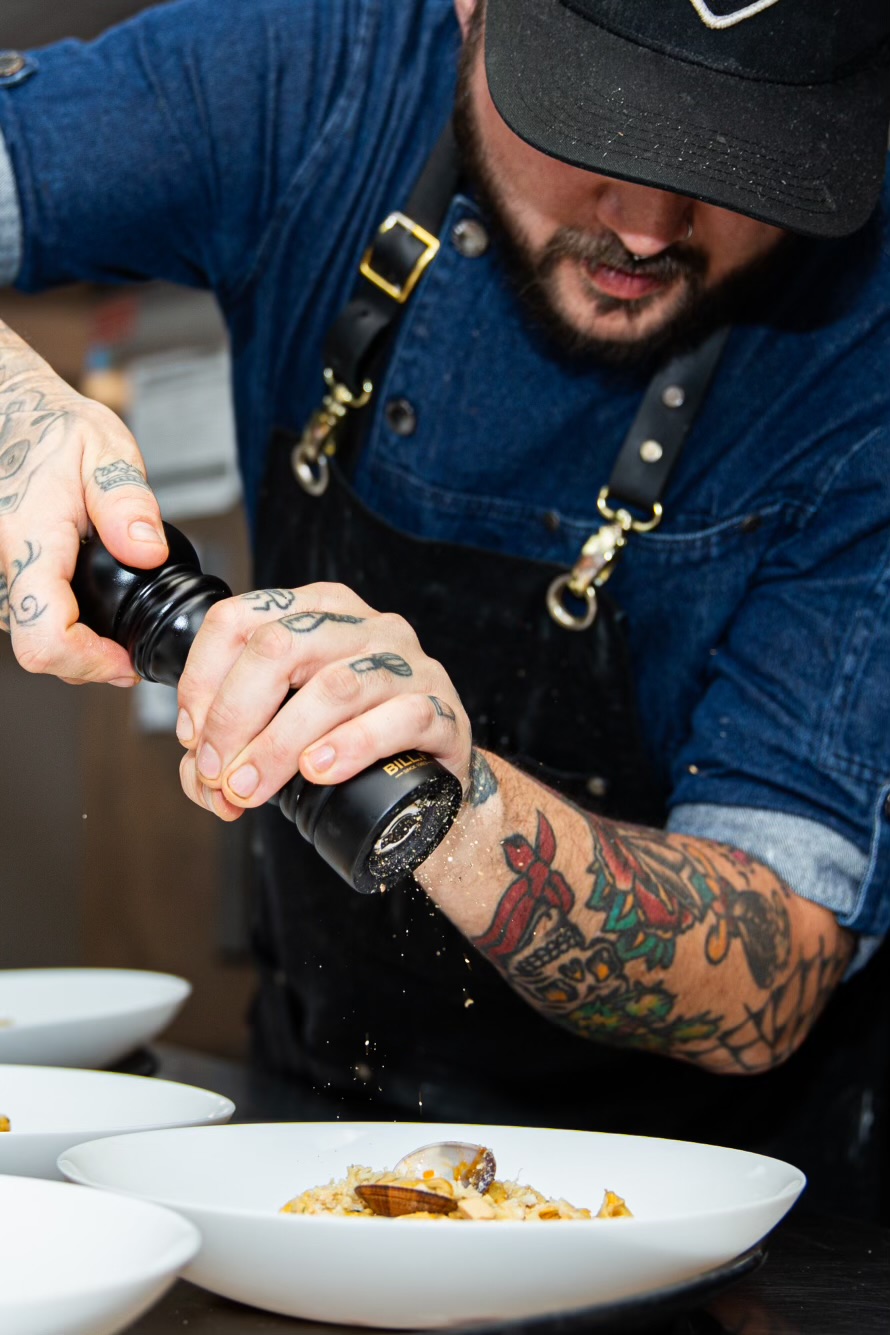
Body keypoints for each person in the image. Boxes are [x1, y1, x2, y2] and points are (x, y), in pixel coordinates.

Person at [1, 0, 889, 1214]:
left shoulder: (864, 340)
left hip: (724, 1214)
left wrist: (454, 804)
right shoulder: (316, 75)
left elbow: (770, 974)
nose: (645, 228)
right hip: (308, 1141)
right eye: (596, 125)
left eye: (736, 159)